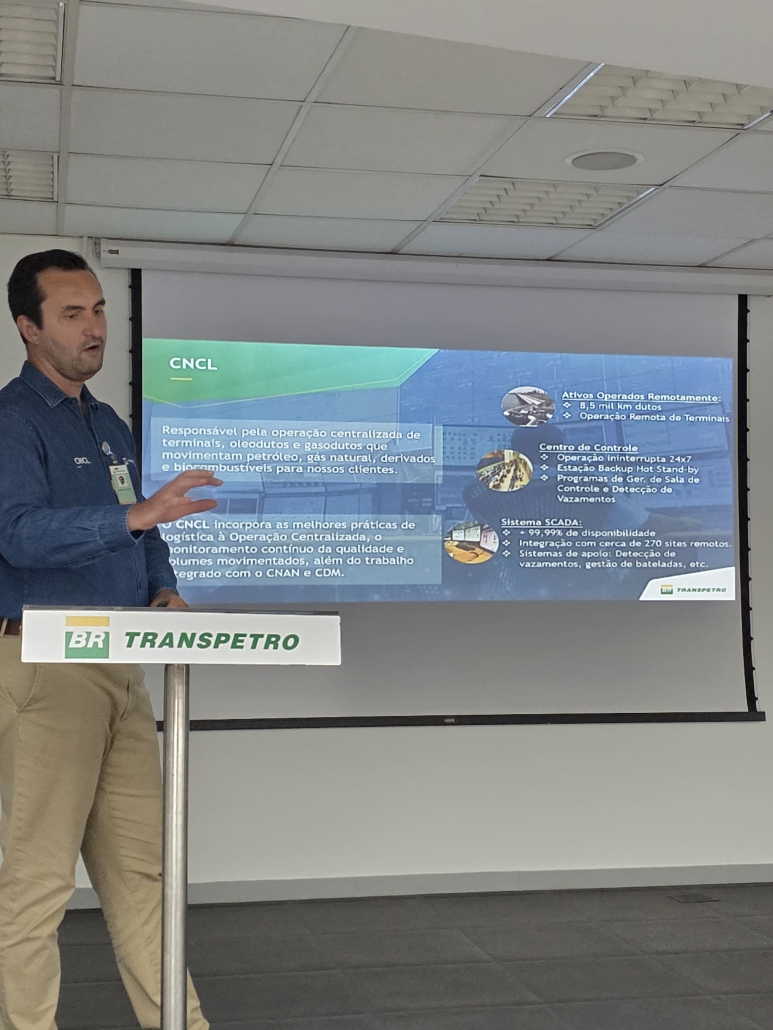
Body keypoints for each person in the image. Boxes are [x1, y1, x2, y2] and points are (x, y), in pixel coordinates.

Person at [0, 250, 220, 1030]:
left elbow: (144, 529)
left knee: (143, 879)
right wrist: (135, 517)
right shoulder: (11, 421)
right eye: (72, 314)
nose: (94, 327)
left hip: (121, 667)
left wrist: (162, 584)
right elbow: (18, 535)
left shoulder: (110, 424)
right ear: (28, 328)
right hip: (45, 665)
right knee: (37, 884)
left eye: (98, 310)